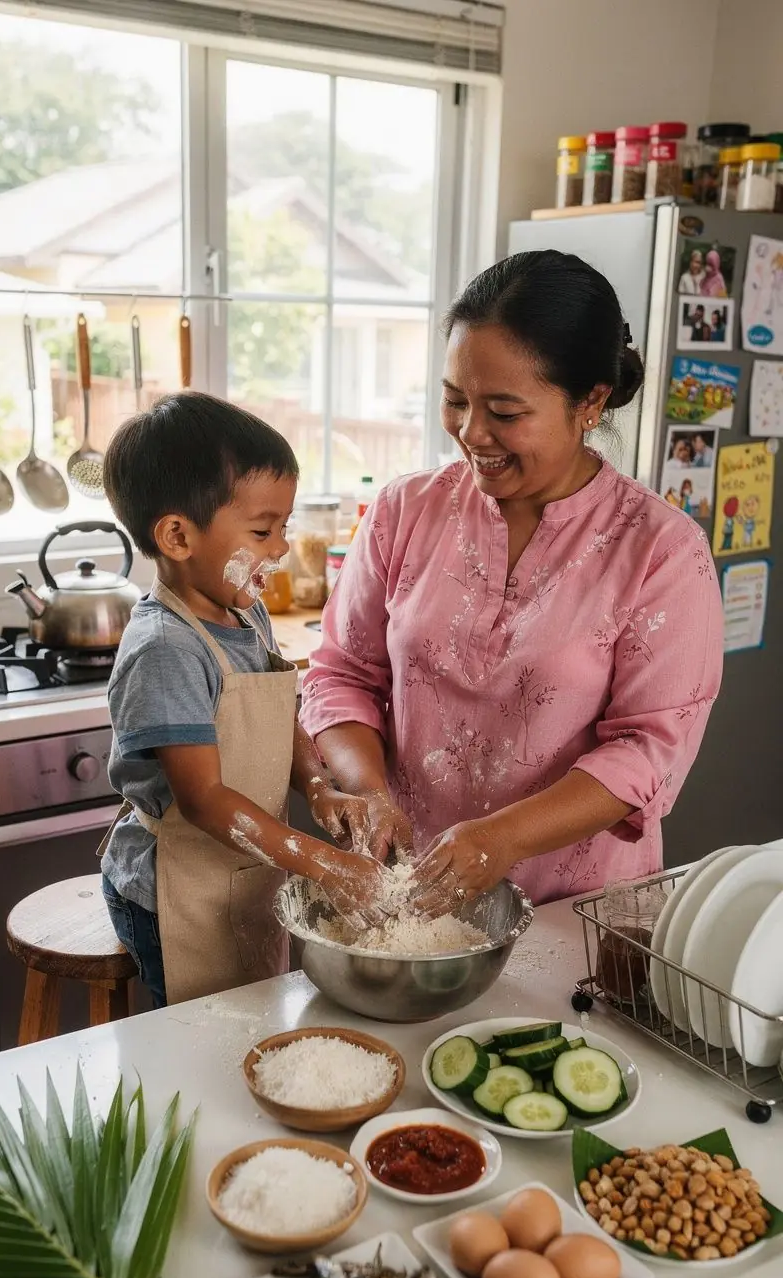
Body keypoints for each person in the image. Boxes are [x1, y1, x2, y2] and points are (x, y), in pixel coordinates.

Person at [301, 251, 723, 912]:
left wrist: (497, 840)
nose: (471, 433)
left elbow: (647, 751)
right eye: (454, 400)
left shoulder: (661, 550)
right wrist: (369, 791)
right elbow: (341, 674)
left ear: (590, 402)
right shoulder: (404, 511)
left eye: (504, 411)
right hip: (410, 896)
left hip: (574, 912)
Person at [100, 393, 388, 1007]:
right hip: (175, 891)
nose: (281, 547)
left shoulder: (247, 610)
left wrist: (317, 785)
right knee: (196, 1035)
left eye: (282, 526)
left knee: (247, 1016)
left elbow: (277, 717)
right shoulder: (167, 649)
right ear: (178, 536)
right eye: (263, 530)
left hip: (245, 869)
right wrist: (325, 862)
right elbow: (204, 802)